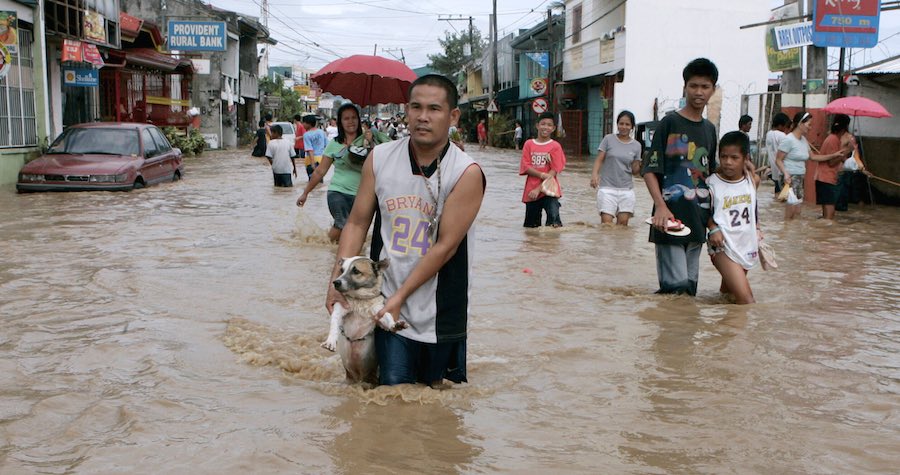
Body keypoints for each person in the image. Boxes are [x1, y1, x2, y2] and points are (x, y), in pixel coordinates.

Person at [325, 74, 485, 387]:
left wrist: (401, 296)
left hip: (440, 308)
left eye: (434, 109)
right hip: (383, 303)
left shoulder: (466, 172)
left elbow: (445, 247)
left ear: (453, 116)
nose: (423, 116)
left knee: (431, 396)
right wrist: (337, 281)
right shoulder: (380, 159)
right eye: (416, 107)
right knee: (391, 394)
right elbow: (357, 222)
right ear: (406, 110)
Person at [642, 58, 719, 296]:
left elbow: (710, 175)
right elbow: (649, 170)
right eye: (693, 86)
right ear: (684, 87)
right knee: (674, 290)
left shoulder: (709, 130)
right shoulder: (670, 123)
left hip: (698, 220)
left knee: (689, 292)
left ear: (713, 90)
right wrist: (661, 208)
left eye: (705, 87)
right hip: (670, 220)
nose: (699, 92)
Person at [296, 103, 369, 242]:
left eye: (354, 117)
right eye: (346, 118)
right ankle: (325, 250)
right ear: (340, 122)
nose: (351, 121)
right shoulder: (334, 144)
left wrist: (370, 143)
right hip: (337, 192)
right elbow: (320, 172)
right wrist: (305, 193)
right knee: (341, 223)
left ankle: (340, 253)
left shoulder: (367, 141)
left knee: (358, 229)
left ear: (359, 120)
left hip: (361, 195)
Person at [706, 131, 761, 305]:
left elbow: (753, 207)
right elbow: (703, 211)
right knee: (747, 301)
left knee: (728, 296)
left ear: (746, 158)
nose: (728, 162)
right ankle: (742, 332)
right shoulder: (711, 183)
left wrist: (758, 229)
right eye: (723, 156)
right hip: (723, 246)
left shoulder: (753, 181)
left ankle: (725, 330)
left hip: (745, 244)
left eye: (734, 158)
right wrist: (712, 227)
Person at [774, 111, 847, 221]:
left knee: (798, 211)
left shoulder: (803, 140)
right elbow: (778, 160)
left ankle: (791, 235)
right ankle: (786, 230)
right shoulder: (788, 139)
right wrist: (785, 174)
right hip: (789, 178)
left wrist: (834, 155)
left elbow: (813, 157)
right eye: (809, 124)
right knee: (791, 210)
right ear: (800, 124)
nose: (810, 127)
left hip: (799, 177)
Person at [590, 110, 642, 225]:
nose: (624, 127)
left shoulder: (637, 146)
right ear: (617, 124)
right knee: (606, 225)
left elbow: (635, 171)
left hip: (626, 191)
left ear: (632, 127)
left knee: (622, 227)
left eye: (627, 124)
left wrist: (640, 165)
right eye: (621, 124)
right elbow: (599, 159)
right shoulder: (608, 139)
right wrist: (594, 175)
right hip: (607, 189)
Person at [520, 111, 566, 228]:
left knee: (554, 225)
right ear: (537, 125)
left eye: (549, 125)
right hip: (531, 192)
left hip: (549, 190)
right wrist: (541, 175)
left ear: (554, 128)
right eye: (543, 124)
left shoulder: (555, 146)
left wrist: (538, 189)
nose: (546, 127)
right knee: (531, 228)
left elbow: (554, 170)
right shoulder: (528, 144)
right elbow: (526, 166)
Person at [816, 114, 854, 220]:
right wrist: (848, 150)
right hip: (826, 178)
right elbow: (831, 162)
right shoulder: (833, 139)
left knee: (826, 214)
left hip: (825, 178)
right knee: (830, 215)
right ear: (845, 127)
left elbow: (837, 158)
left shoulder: (833, 138)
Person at [765, 112, 791, 195]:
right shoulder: (782, 135)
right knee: (785, 196)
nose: (786, 128)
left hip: (774, 171)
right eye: (785, 126)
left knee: (777, 193)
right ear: (780, 125)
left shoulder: (768, 134)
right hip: (783, 170)